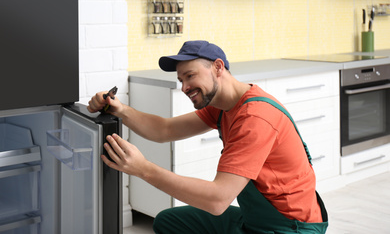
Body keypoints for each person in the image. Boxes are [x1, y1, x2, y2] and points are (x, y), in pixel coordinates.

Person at [87, 40, 328, 233]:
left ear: (218, 67)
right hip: (254, 219)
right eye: (181, 80)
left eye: (190, 76)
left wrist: (143, 169)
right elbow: (165, 130)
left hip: (291, 227)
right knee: (168, 221)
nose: (184, 87)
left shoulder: (255, 118)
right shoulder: (224, 105)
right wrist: (120, 109)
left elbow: (218, 200)